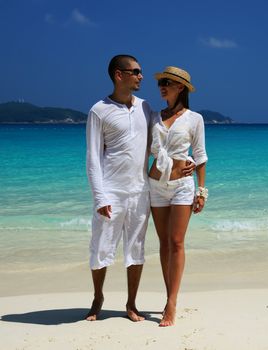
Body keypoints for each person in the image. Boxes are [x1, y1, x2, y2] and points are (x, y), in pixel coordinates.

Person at [85, 54, 151, 322]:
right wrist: (99, 196)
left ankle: (131, 303)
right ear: (118, 75)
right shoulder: (98, 110)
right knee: (101, 248)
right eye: (135, 71)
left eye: (140, 71)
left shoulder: (146, 107)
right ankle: (98, 296)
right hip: (110, 192)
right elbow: (92, 157)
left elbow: (162, 139)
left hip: (140, 191)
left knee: (136, 249)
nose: (140, 76)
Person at [149, 66, 208, 327]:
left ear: (180, 87)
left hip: (183, 184)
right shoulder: (153, 116)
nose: (162, 86)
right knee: (163, 243)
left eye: (168, 82)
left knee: (176, 242)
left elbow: (201, 155)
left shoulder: (194, 118)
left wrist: (201, 191)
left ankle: (171, 302)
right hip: (156, 184)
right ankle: (168, 294)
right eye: (161, 82)